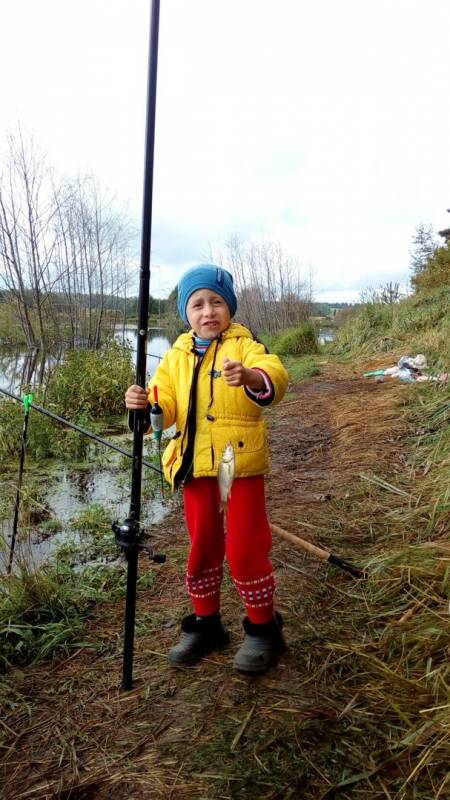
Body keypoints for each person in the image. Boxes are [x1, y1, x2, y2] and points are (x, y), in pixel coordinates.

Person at [125, 264, 289, 674]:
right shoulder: (177, 355)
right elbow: (167, 411)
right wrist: (145, 408)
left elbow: (276, 378)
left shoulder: (245, 344)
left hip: (239, 466)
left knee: (245, 550)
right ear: (186, 313)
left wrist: (251, 376)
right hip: (194, 469)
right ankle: (206, 622)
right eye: (197, 304)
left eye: (217, 302)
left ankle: (263, 629)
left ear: (229, 309)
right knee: (202, 548)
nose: (208, 311)